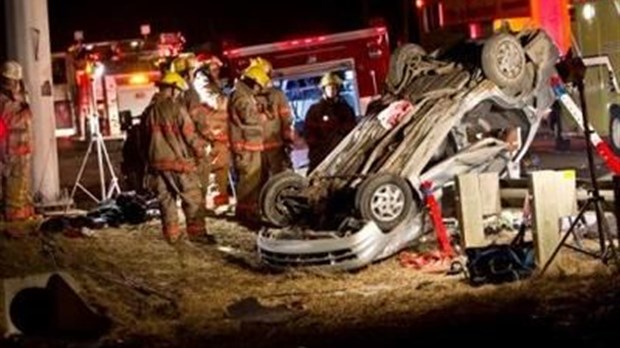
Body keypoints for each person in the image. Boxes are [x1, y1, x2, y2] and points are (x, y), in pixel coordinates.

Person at [142, 72, 215, 244]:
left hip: (157, 165)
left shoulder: (149, 111)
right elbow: (190, 136)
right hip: (178, 164)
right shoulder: (177, 108)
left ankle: (172, 236)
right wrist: (201, 153)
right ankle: (198, 236)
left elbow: (143, 142)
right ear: (174, 90)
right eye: (179, 92)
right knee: (193, 198)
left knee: (166, 201)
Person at [228, 65, 271, 226]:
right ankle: (246, 215)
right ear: (254, 83)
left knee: (252, 181)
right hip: (245, 147)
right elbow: (249, 118)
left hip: (249, 146)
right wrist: (262, 117)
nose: (258, 90)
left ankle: (249, 212)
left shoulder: (243, 95)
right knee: (249, 182)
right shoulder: (241, 97)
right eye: (258, 87)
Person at [0, 61, 35, 231]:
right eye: (13, 80)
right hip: (11, 149)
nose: (15, 84)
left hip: (22, 147)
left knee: (23, 181)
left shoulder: (18, 97)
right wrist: (24, 115)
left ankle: (23, 212)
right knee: (13, 181)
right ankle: (13, 216)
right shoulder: (3, 99)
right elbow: (5, 122)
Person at [304, 72, 357, 172]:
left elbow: (352, 128)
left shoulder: (345, 109)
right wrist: (318, 147)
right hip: (320, 155)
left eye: (334, 88)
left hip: (341, 152)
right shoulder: (315, 110)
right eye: (329, 88)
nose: (332, 91)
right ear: (324, 90)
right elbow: (309, 132)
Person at [250, 57, 294, 177]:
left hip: (259, 151)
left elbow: (286, 121)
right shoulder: (278, 95)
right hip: (271, 149)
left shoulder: (245, 96)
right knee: (279, 182)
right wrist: (288, 141)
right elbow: (287, 121)